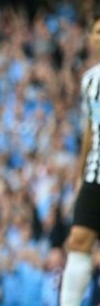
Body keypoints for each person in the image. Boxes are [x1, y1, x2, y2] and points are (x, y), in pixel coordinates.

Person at [60, 15, 100, 306]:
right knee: (78, 240)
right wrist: (80, 173)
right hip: (95, 173)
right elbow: (90, 129)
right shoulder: (89, 80)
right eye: (96, 31)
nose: (99, 36)